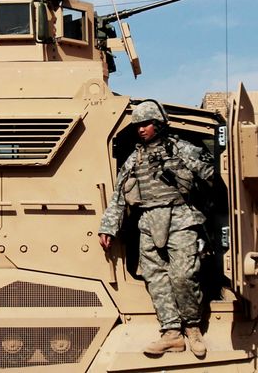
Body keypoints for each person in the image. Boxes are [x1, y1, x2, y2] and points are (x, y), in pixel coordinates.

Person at [98, 100, 214, 358]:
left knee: (184, 275)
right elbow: (118, 196)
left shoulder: (182, 149)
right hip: (148, 222)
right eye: (138, 125)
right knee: (156, 279)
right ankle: (171, 333)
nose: (141, 130)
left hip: (181, 217)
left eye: (146, 124)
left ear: (159, 124)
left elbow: (213, 177)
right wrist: (108, 227)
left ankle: (193, 328)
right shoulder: (134, 159)